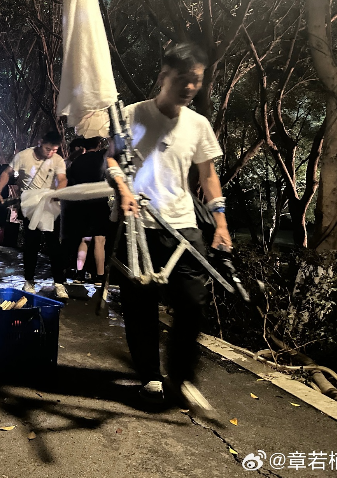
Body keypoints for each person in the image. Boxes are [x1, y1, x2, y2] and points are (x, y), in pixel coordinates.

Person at [106, 42, 231, 408]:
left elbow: (208, 175)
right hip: (137, 223)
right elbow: (111, 160)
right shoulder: (131, 114)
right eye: (183, 78)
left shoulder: (198, 124)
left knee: (192, 303)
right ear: (164, 76)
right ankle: (150, 375)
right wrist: (123, 189)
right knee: (140, 306)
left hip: (182, 224)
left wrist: (221, 222)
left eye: (197, 80)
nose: (190, 87)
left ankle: (182, 375)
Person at [0, 130, 68, 300]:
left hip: (50, 205)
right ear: (40, 142)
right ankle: (29, 281)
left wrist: (59, 191)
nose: (50, 153)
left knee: (54, 246)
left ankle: (59, 283)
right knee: (31, 245)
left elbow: (62, 178)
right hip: (30, 205)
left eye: (54, 150)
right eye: (48, 149)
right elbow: (6, 173)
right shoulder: (24, 156)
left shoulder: (57, 160)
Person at [61, 136, 110, 282]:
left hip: (82, 204)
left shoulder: (77, 161)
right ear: (99, 144)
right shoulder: (102, 157)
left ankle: (80, 273)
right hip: (99, 202)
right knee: (100, 240)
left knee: (84, 239)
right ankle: (100, 276)